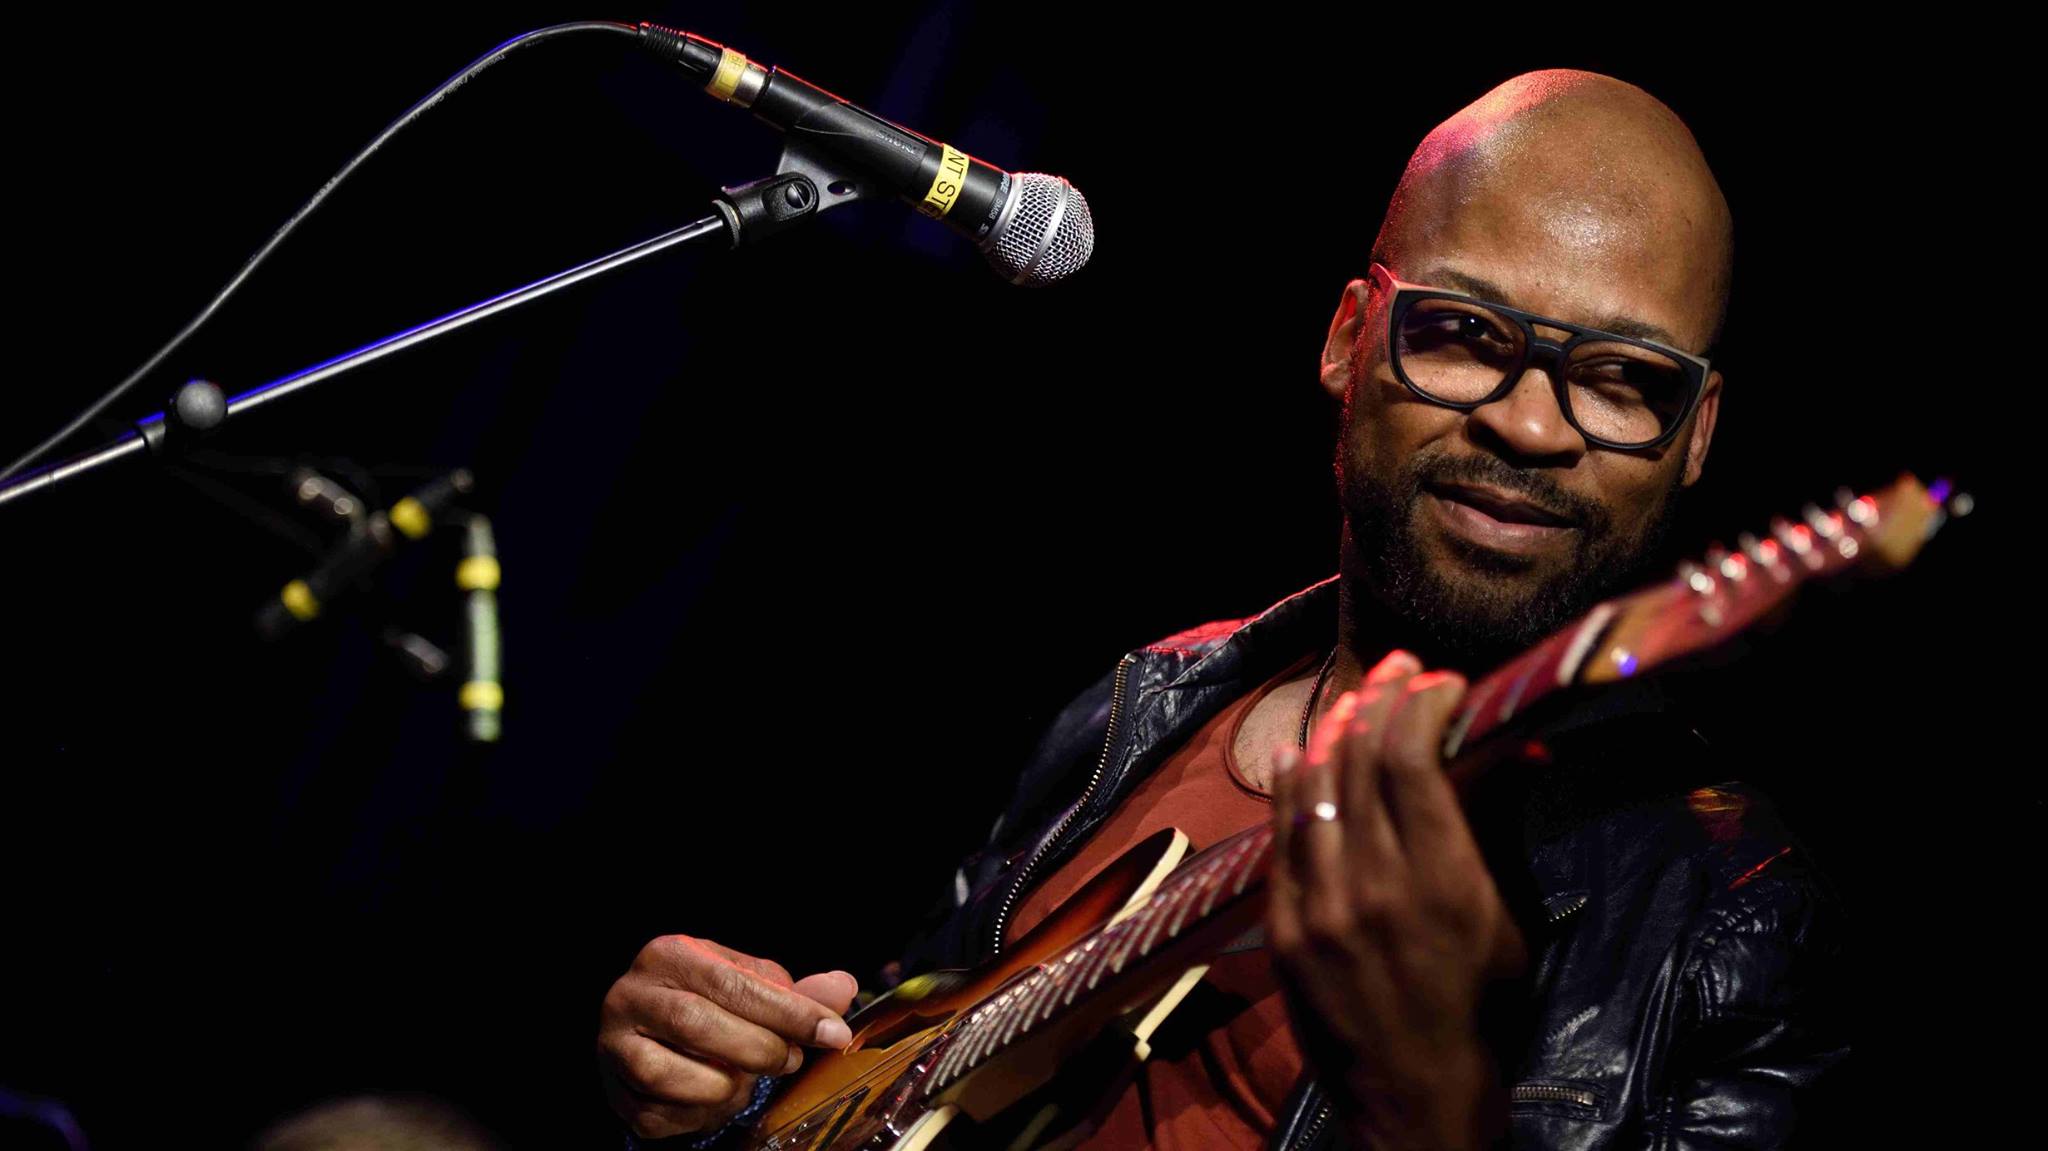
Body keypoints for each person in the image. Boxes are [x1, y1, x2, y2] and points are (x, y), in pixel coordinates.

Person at [596, 68, 1850, 1149]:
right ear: (1348, 341)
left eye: (1623, 379)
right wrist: (744, 1087)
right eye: (1464, 334)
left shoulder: (1728, 908)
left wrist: (1425, 1104)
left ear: (1694, 438)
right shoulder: (1151, 698)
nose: (1529, 424)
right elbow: (916, 1058)